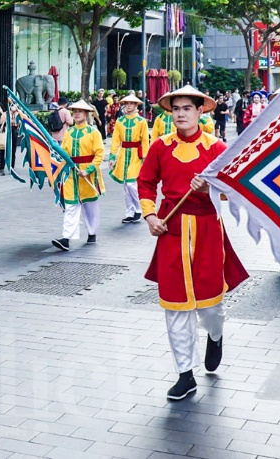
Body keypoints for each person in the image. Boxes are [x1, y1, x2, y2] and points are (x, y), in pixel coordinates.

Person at [137, 85, 248, 401]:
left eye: (187, 108)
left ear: (201, 111)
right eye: (176, 108)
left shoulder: (216, 150)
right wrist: (150, 217)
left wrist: (206, 190)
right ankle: (185, 374)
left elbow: (233, 191)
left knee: (210, 305)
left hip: (207, 232)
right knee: (175, 306)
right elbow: (145, 183)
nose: (181, 113)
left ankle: (216, 334)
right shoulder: (160, 147)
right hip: (170, 230)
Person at [52, 100, 105, 250]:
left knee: (90, 207)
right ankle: (66, 238)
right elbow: (65, 153)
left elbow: (99, 154)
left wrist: (88, 170)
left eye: (80, 111)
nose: (76, 114)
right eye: (74, 111)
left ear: (86, 114)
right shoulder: (69, 132)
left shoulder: (93, 132)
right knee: (70, 206)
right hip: (71, 174)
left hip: (89, 175)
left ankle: (92, 232)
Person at [109, 94, 150, 224]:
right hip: (123, 155)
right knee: (126, 186)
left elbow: (144, 141)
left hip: (135, 155)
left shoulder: (141, 121)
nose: (128, 105)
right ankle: (129, 212)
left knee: (132, 184)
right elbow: (116, 140)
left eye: (131, 103)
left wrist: (145, 158)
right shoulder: (120, 121)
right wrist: (112, 157)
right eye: (126, 103)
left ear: (136, 105)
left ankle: (138, 209)